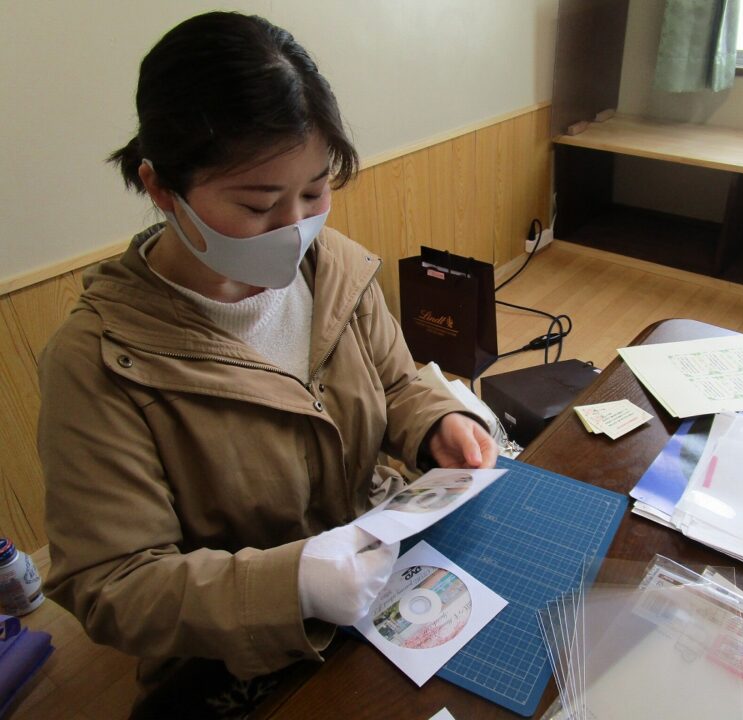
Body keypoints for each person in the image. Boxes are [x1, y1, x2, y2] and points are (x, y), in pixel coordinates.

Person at [36, 10, 497, 692]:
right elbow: (113, 583)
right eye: (257, 206)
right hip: (237, 656)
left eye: (314, 191)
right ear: (161, 189)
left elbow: (396, 384)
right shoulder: (97, 360)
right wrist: (291, 584)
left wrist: (438, 421)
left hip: (383, 575)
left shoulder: (335, 268)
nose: (295, 228)